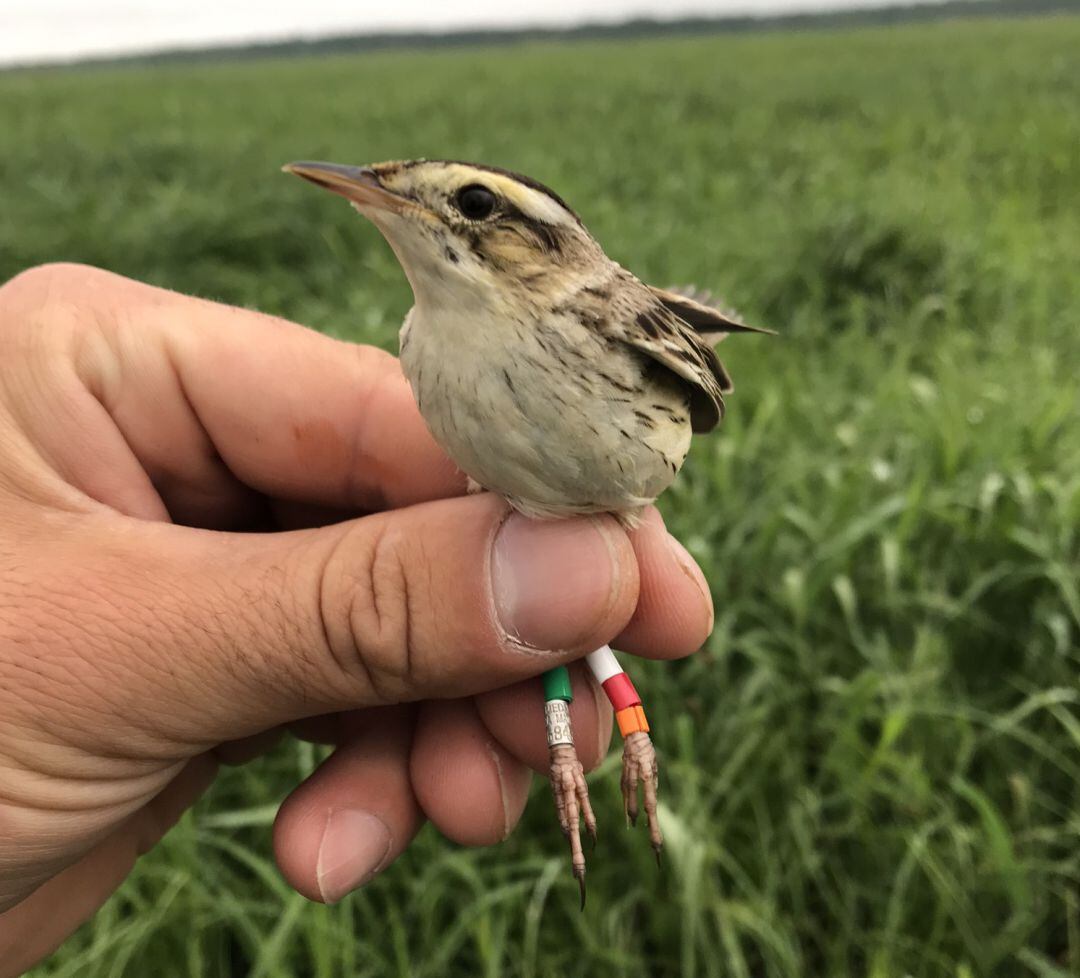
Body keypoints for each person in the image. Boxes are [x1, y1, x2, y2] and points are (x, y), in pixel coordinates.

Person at [0, 264, 713, 974]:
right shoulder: (425, 343)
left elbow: (697, 385)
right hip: (534, 521)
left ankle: (634, 734)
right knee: (566, 619)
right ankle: (573, 747)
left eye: (470, 206)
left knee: (573, 608)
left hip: (601, 500)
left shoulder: (606, 314)